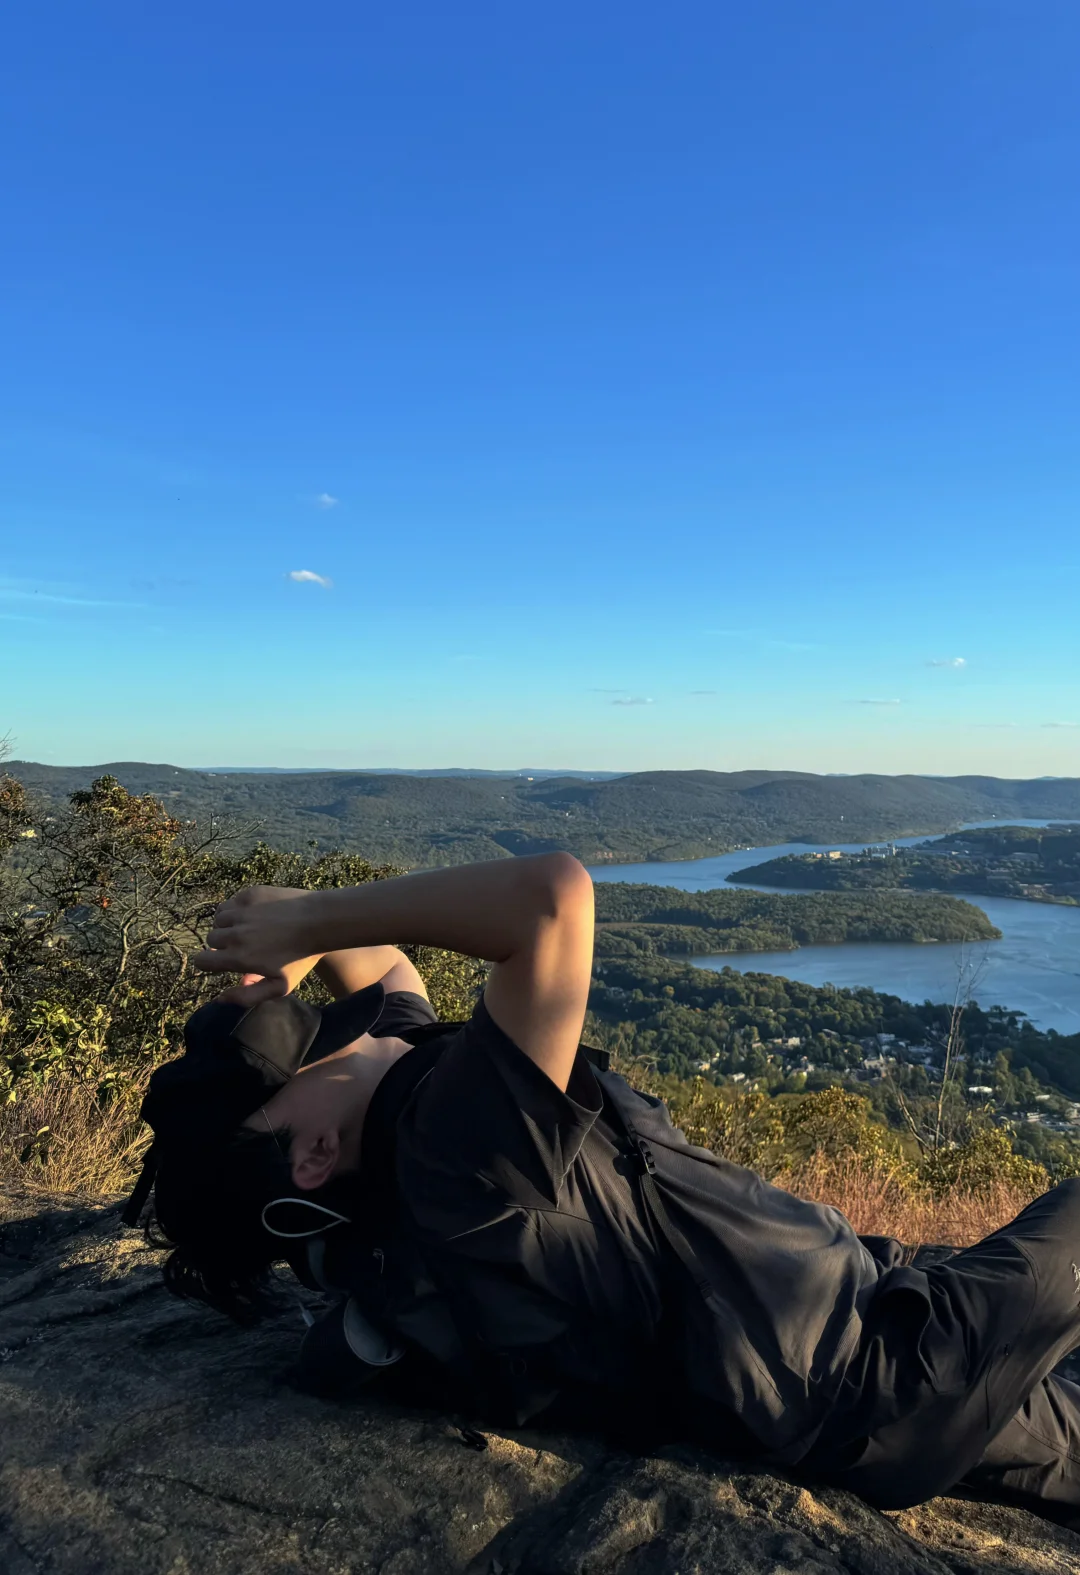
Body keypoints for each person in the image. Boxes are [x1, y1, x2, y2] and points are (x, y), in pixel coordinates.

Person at [127, 852, 1080, 1523]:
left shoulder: (387, 1125)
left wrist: (289, 956)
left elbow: (380, 968)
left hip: (856, 1328)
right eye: (310, 1050)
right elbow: (553, 898)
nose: (340, 1026)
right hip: (876, 1373)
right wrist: (318, 918)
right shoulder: (457, 1153)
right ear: (312, 1156)